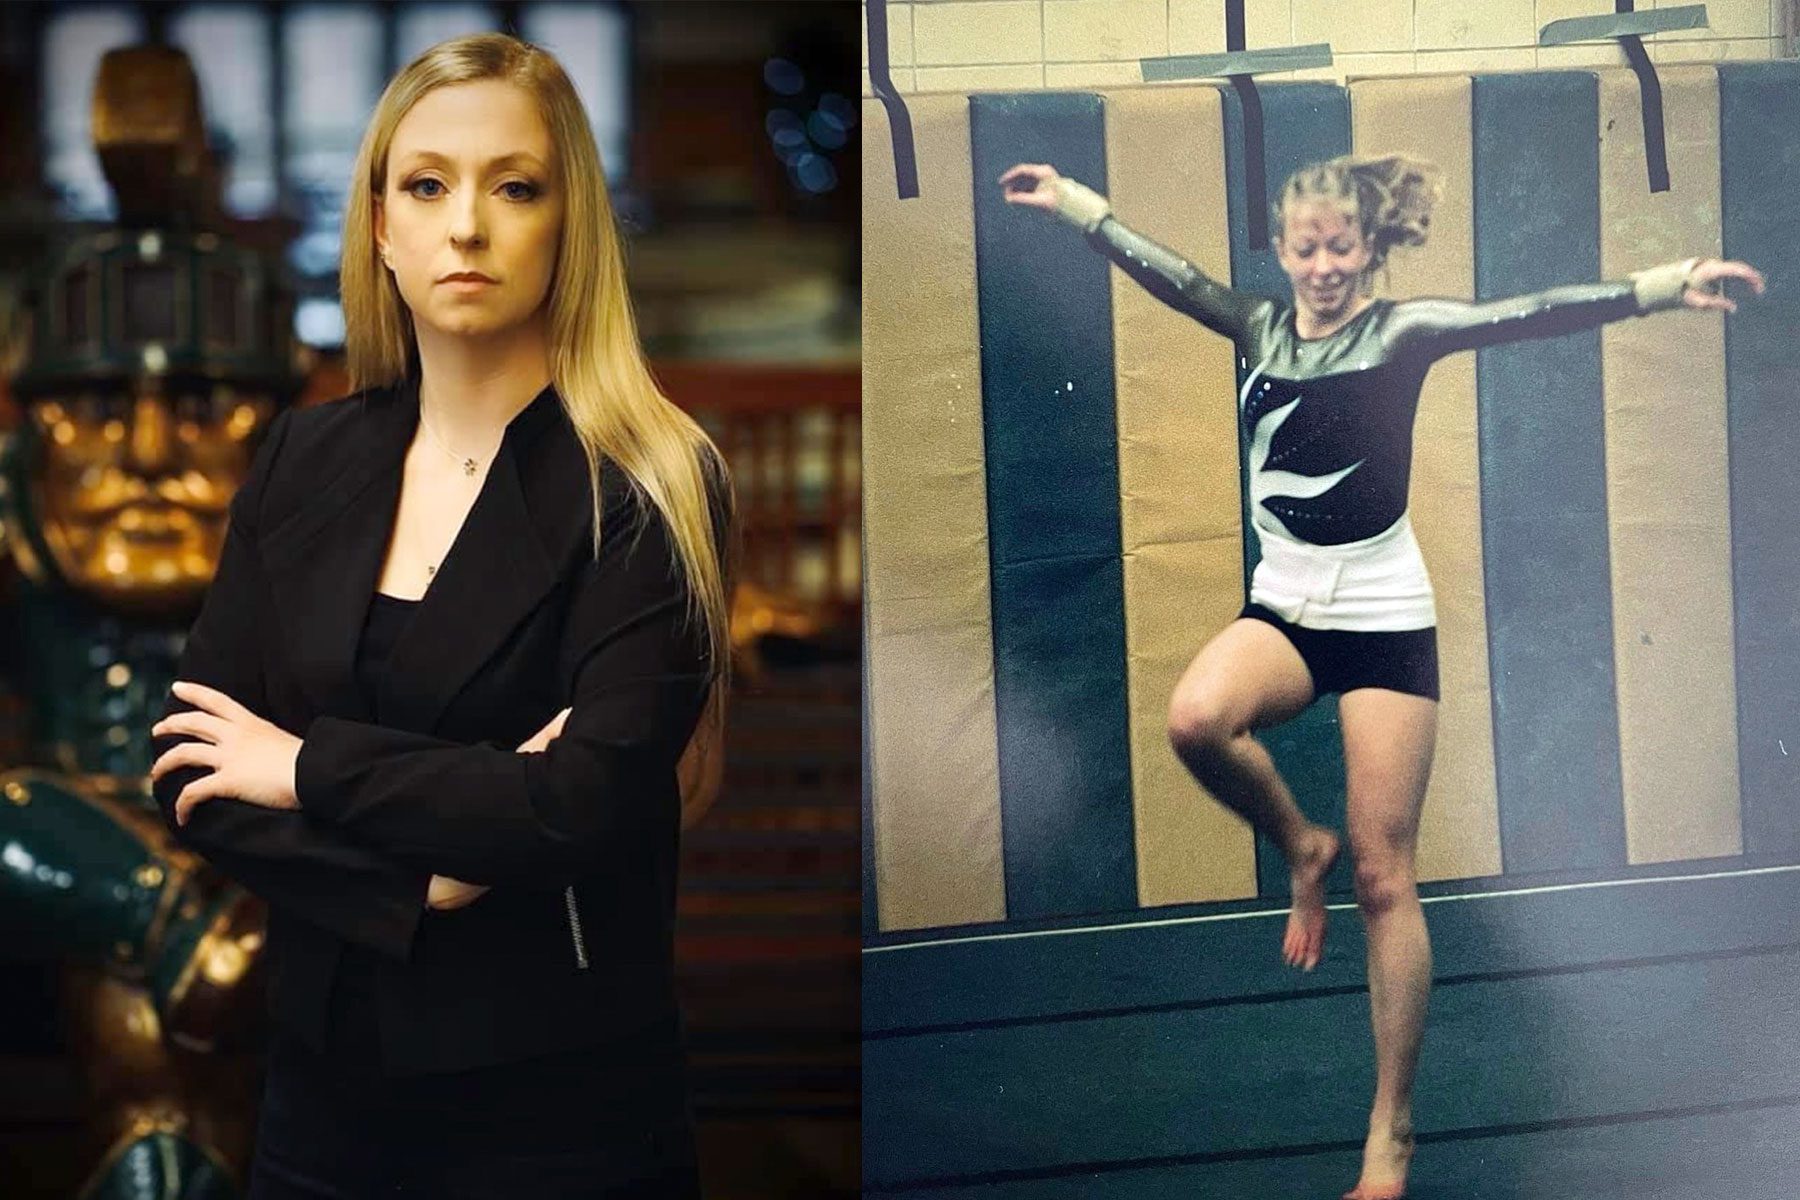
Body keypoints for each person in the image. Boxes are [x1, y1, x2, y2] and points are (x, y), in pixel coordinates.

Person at [1000, 155, 1763, 1200]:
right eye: (1305, 249)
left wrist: (1660, 285)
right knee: (1195, 720)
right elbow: (1168, 272)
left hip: (1385, 610)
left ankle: (1388, 1134)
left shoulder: (1400, 332)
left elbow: (1526, 312)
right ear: (1282, 247)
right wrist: (1079, 207)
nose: (1322, 268)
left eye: (1341, 249)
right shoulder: (1258, 325)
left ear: (1370, 249)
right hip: (1290, 599)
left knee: (1386, 876)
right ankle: (1295, 842)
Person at [146, 33, 734, 1199]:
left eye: (513, 187)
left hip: (560, 1111)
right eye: (427, 185)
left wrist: (303, 768)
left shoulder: (650, 480)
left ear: (568, 224)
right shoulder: (306, 455)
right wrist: (421, 880)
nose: (465, 225)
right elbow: (192, 771)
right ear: (380, 227)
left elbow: (581, 806)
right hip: (318, 1098)